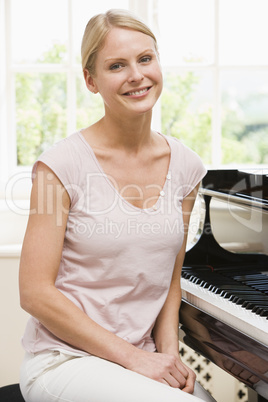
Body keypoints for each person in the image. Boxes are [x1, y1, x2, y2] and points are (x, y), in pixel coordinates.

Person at [19, 9, 216, 402]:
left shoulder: (187, 167)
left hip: (140, 357)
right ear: (91, 81)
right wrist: (135, 360)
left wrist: (168, 359)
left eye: (145, 58)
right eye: (116, 65)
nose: (136, 75)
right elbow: (35, 292)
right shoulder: (59, 166)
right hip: (65, 359)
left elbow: (169, 283)